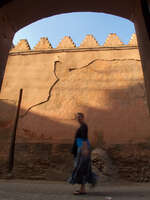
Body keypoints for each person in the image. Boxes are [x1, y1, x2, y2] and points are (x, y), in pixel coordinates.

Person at [68, 112, 97, 195]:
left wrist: (84, 150)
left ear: (83, 117)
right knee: (82, 168)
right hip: (81, 147)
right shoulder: (81, 126)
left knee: (81, 168)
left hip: (83, 148)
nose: (79, 118)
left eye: (80, 117)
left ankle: (84, 188)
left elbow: (84, 139)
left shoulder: (84, 126)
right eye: (77, 117)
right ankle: (83, 188)